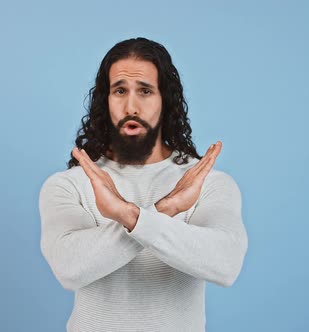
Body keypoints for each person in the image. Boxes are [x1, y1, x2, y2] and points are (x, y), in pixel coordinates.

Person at [39, 37, 248, 332]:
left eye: (145, 91)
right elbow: (69, 270)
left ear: (166, 101)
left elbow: (225, 265)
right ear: (105, 100)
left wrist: (129, 216)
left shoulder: (205, 183)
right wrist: (166, 209)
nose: (131, 106)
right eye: (120, 90)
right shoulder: (70, 185)